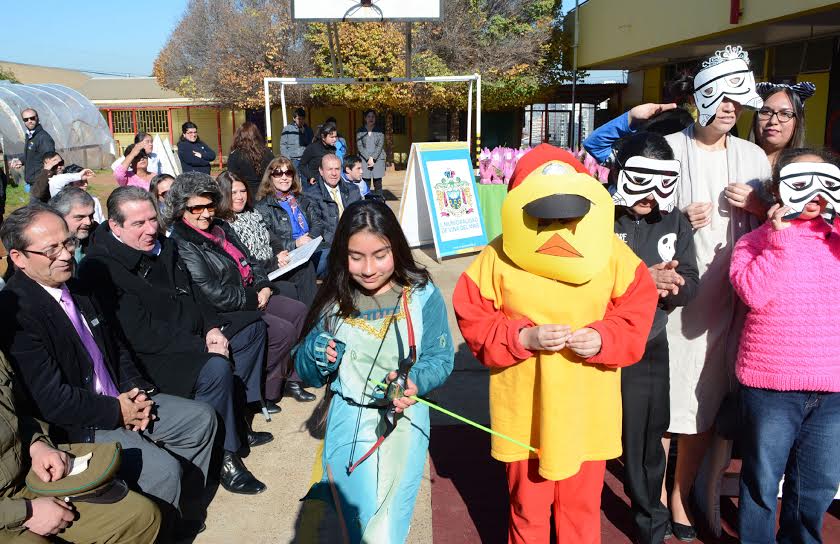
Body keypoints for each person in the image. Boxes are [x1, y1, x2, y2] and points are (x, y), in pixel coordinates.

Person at [453, 144, 658, 544]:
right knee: (527, 508)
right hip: (525, 412)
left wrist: (604, 337)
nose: (558, 225)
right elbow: (473, 313)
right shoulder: (497, 255)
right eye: (546, 216)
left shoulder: (610, 252)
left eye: (568, 214)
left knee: (581, 510)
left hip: (587, 410)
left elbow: (637, 308)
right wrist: (520, 337)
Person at [0, 204, 217, 527]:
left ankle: (182, 513)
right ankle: (161, 527)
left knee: (200, 420)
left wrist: (136, 391)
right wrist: (118, 411)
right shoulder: (15, 313)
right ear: (18, 258)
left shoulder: (78, 287)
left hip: (122, 399)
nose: (66, 254)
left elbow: (115, 348)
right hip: (78, 425)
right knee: (161, 471)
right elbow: (51, 400)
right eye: (51, 250)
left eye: (68, 243)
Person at [80, 186, 272, 495]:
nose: (150, 229)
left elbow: (196, 294)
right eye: (138, 223)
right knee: (216, 368)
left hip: (193, 333)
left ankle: (236, 422)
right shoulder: (101, 267)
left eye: (152, 220)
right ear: (115, 226)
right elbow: (140, 334)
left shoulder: (164, 245)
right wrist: (204, 346)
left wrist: (212, 328)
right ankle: (225, 456)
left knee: (250, 330)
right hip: (152, 356)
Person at [295, 199, 454, 543]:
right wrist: (316, 353)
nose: (368, 269)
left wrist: (414, 381)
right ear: (342, 254)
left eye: (380, 255)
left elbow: (440, 358)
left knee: (386, 530)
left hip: (404, 421)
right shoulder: (333, 299)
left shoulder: (421, 294)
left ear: (396, 248)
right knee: (357, 524)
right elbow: (305, 372)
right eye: (356, 257)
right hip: (348, 418)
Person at [730, 148, 840, 544]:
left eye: (826, 182)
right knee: (762, 482)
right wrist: (779, 239)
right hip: (770, 386)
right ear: (778, 190)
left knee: (816, 487)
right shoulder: (754, 242)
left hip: (832, 388)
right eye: (801, 181)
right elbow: (754, 294)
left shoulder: (836, 240)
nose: (814, 193)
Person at [603, 131, 700, 543]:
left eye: (662, 182)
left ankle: (651, 526)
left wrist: (675, 285)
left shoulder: (674, 220)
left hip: (648, 344)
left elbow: (692, 279)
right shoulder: (597, 216)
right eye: (640, 180)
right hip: (597, 343)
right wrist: (642, 279)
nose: (650, 194)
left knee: (645, 441)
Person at [167, 173, 308, 410]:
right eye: (197, 208)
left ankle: (290, 378)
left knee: (299, 311)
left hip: (251, 292)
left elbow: (250, 260)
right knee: (282, 331)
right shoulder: (184, 243)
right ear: (182, 210)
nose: (206, 213)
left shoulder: (220, 228)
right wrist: (253, 297)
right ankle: (264, 391)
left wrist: (263, 286)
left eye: (210, 205)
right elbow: (211, 292)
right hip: (226, 309)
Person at [0, 350, 162, 543]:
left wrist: (37, 444)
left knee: (141, 516)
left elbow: (16, 414)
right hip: (7, 510)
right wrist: (24, 512)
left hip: (24, 477)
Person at [254, 158, 320, 307]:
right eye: (278, 173)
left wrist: (310, 238)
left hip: (310, 246)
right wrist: (295, 243)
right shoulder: (264, 207)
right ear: (270, 177)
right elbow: (268, 240)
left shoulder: (301, 200)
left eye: (288, 173)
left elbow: (317, 223)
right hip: (288, 254)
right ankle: (313, 315)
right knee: (307, 267)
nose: (284, 177)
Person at [304, 154, 362, 277]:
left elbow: (360, 218)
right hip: (329, 245)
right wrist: (340, 243)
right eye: (330, 169)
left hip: (354, 240)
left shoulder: (353, 190)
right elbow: (318, 226)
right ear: (321, 171)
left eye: (337, 169)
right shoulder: (311, 195)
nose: (334, 173)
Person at [751, 81, 816, 169]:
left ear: (798, 122)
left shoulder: (807, 169)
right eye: (766, 112)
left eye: (785, 114)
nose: (773, 121)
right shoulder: (736, 160)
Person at [48, 187, 96, 267]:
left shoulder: (99, 236)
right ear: (60, 217)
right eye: (80, 217)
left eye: (91, 215)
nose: (88, 222)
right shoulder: (44, 245)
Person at [9, 108, 55, 187]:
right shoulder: (30, 135)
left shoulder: (43, 137)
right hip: (33, 181)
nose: (29, 121)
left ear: (37, 118)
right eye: (26, 119)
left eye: (32, 118)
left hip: (40, 182)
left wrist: (43, 181)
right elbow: (33, 154)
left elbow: (50, 161)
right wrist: (20, 160)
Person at [227, 121, 274, 195]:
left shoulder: (235, 154)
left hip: (245, 194)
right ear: (256, 135)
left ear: (239, 136)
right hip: (265, 192)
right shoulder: (267, 152)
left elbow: (231, 177)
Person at [356, 109, 386, 195]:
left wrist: (373, 158)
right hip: (364, 160)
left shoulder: (380, 130)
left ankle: (379, 202)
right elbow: (360, 146)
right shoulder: (360, 131)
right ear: (365, 118)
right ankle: (366, 202)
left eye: (373, 117)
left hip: (378, 160)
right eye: (369, 116)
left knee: (378, 185)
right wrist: (368, 158)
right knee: (366, 184)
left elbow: (380, 145)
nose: (371, 118)